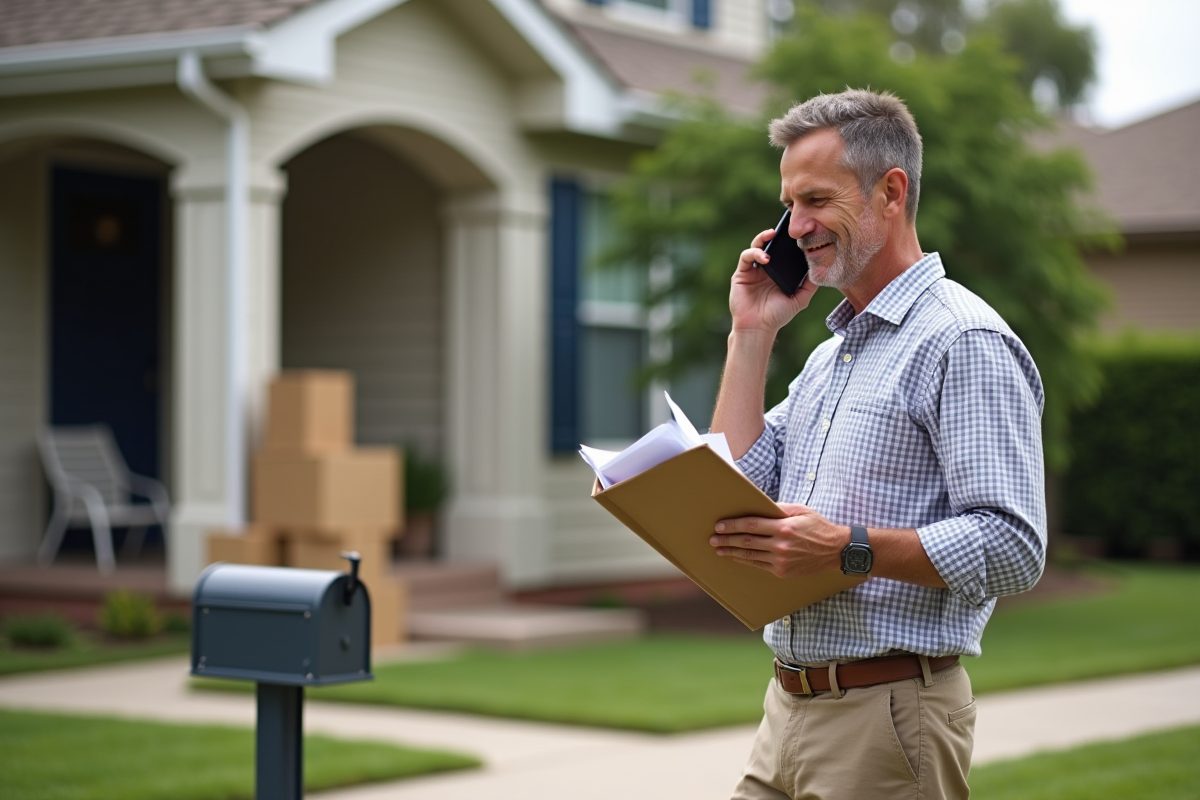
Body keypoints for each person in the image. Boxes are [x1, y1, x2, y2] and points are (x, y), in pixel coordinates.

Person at [707, 89, 1046, 800]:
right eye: (788, 204)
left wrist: (848, 549)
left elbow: (1014, 546)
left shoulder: (963, 340)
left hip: (889, 720)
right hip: (785, 710)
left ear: (890, 192)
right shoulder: (834, 356)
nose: (793, 228)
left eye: (816, 201)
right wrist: (751, 332)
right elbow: (739, 483)